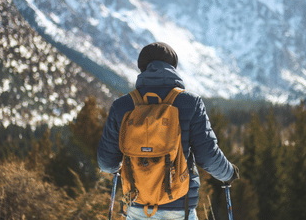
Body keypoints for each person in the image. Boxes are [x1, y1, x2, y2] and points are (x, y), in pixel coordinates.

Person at [97, 42, 239, 219]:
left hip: (137, 206)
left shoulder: (122, 106)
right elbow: (208, 155)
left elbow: (106, 163)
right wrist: (228, 173)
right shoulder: (190, 103)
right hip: (179, 207)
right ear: (173, 68)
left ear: (142, 68)